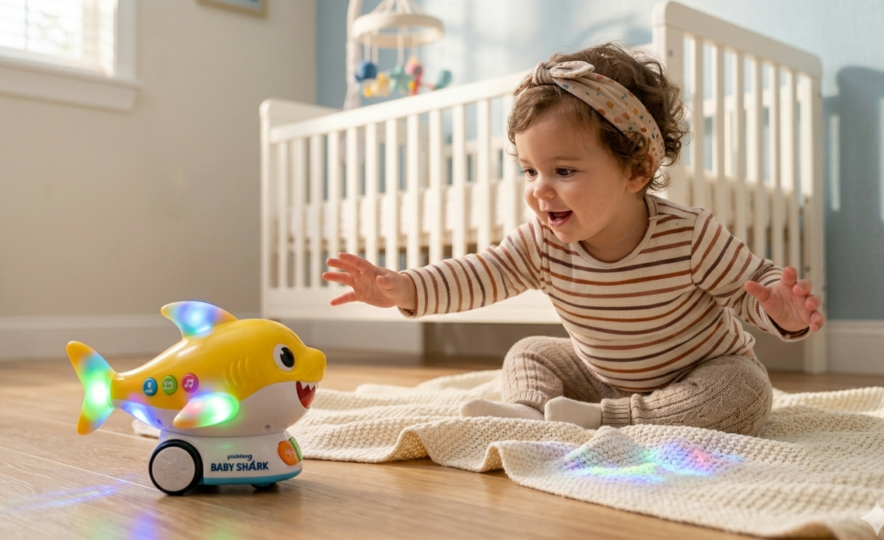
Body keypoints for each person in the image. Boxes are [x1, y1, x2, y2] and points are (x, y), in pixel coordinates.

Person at [321, 43, 824, 436]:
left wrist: (782, 312)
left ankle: (606, 420)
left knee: (746, 389)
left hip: (698, 374)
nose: (540, 189)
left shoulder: (690, 234)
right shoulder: (542, 243)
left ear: (636, 169)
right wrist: (405, 287)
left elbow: (751, 288)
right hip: (599, 376)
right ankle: (527, 412)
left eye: (563, 171)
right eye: (529, 170)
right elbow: (479, 273)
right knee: (531, 351)